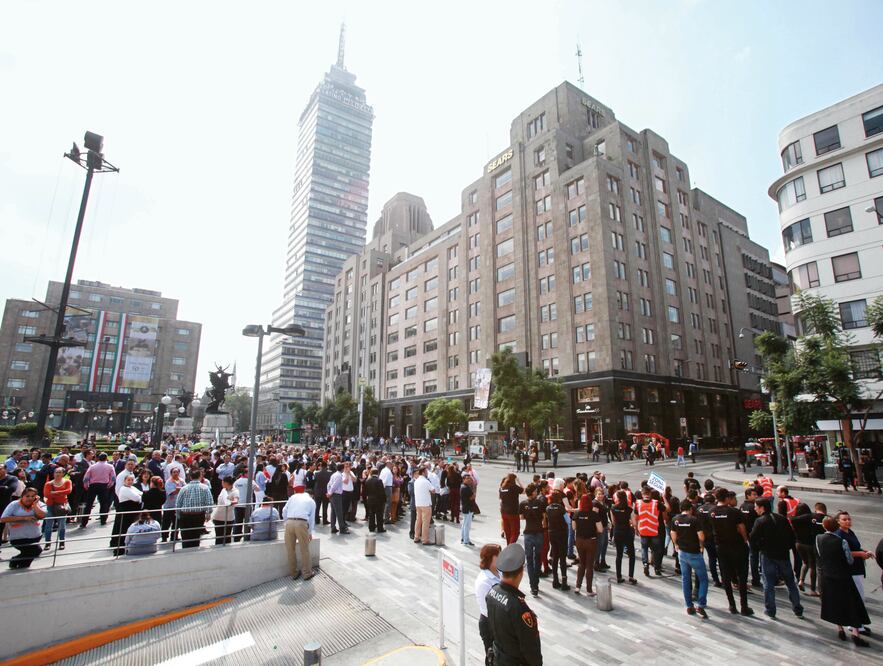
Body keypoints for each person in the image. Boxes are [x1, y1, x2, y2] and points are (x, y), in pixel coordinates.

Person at [816, 516, 871, 647]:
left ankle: (840, 629)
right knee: (853, 604)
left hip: (828, 576)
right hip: (843, 576)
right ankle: (856, 634)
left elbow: (819, 555)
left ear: (824, 527)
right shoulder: (841, 541)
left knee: (835, 603)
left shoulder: (818, 538)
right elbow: (849, 560)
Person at [485, 543, 543, 666]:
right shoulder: (519, 608)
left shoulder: (492, 592)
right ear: (521, 572)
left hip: (497, 659)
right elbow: (531, 650)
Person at [749, 497, 803, 619]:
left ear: (762, 508)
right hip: (783, 555)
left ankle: (770, 609)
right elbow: (791, 536)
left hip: (768, 555)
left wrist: (760, 546)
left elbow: (752, 538)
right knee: (790, 583)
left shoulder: (760, 521)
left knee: (768, 584)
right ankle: (797, 608)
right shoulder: (782, 518)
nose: (755, 509)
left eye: (756, 507)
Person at [710, 488, 753, 615]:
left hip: (721, 547)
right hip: (737, 546)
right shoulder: (734, 512)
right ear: (727, 498)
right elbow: (741, 528)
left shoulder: (712, 512)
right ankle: (744, 606)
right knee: (742, 575)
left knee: (726, 576)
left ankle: (732, 605)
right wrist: (745, 540)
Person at [834, 511, 873, 636]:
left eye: (849, 519)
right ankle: (855, 625)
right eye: (844, 519)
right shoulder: (839, 535)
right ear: (838, 521)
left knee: (859, 598)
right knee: (857, 598)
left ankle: (857, 624)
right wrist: (860, 554)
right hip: (851, 570)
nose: (847, 521)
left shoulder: (850, 532)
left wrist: (865, 551)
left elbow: (855, 547)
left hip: (858, 568)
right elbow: (844, 553)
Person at [670, 500, 708, 618]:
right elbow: (701, 536)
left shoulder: (675, 519)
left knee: (686, 579)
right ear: (690, 509)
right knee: (703, 579)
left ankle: (688, 605)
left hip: (682, 552)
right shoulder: (694, 520)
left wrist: (676, 544)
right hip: (694, 553)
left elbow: (672, 532)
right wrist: (702, 544)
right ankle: (701, 605)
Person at [1, 487, 46, 568]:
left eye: (33, 496)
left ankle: (19, 566)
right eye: (27, 496)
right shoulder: (14, 504)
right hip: (18, 538)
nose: (30, 498)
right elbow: (3, 519)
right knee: (36, 550)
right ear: (22, 496)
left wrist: (35, 504)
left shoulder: (39, 504)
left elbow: (42, 515)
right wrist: (24, 518)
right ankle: (14, 560)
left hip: (35, 536)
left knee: (28, 557)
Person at [474, 544, 502, 666]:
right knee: (492, 658)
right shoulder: (484, 581)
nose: (501, 558)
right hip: (490, 623)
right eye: (498, 555)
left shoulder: (499, 572)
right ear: (491, 558)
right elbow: (488, 609)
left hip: (499, 620)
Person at [281, 489, 316, 580]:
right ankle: (307, 573)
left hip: (289, 522)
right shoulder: (311, 501)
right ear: (311, 495)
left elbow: (284, 510)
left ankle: (294, 573)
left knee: (290, 549)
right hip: (301, 523)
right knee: (304, 549)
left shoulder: (293, 496)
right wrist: (310, 532)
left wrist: (286, 521)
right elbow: (311, 519)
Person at [519, 483, 546, 596]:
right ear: (533, 492)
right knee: (538, 558)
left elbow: (521, 517)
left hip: (528, 533)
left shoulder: (523, 504)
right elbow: (544, 516)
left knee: (529, 560)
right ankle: (536, 583)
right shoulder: (540, 502)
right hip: (539, 532)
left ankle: (533, 586)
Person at [176, 467, 212, 549]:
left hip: (185, 516)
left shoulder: (183, 488)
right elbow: (209, 502)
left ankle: (185, 551)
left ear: (190, 477)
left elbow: (178, 503)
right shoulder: (205, 488)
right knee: (196, 536)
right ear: (200, 476)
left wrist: (178, 515)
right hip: (198, 516)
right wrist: (208, 513)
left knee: (185, 537)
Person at [573, 494, 602, 596]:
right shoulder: (594, 514)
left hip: (579, 540)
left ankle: (577, 587)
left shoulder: (577, 513)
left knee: (581, 563)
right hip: (591, 541)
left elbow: (573, 527)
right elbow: (600, 529)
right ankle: (589, 590)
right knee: (589, 566)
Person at [80, 452, 116, 527]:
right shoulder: (110, 466)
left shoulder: (92, 466)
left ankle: (84, 522)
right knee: (104, 504)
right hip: (104, 486)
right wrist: (110, 484)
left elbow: (86, 478)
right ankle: (103, 520)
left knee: (89, 504)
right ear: (106, 458)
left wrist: (86, 486)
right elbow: (113, 478)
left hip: (93, 485)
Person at [111, 475, 143, 556]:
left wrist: (140, 496)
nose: (130, 481)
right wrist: (140, 496)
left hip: (133, 513)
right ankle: (120, 550)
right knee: (124, 531)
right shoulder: (124, 489)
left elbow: (141, 493)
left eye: (132, 480)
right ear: (124, 481)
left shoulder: (132, 488)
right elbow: (137, 498)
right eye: (128, 480)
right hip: (127, 514)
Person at [635, 487, 664, 577]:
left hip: (643, 529)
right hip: (654, 530)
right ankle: (657, 567)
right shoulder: (656, 503)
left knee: (644, 548)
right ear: (650, 494)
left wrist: (636, 527)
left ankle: (645, 564)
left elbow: (636, 517)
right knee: (656, 549)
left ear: (642, 494)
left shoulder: (638, 503)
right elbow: (667, 509)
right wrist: (664, 497)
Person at [42, 467, 71, 551]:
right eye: (56, 472)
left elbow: (69, 491)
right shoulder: (48, 484)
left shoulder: (67, 481)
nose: (57, 474)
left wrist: (55, 493)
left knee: (62, 525)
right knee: (48, 525)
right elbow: (46, 494)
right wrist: (61, 493)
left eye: (59, 472)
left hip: (62, 506)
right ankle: (48, 543)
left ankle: (62, 542)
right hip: (50, 505)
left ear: (63, 474)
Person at [546, 490, 569, 591]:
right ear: (559, 498)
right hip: (562, 533)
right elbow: (568, 521)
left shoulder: (548, 508)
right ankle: (564, 581)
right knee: (562, 557)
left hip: (552, 533)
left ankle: (555, 580)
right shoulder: (561, 508)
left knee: (555, 556)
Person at [212, 476, 237, 545]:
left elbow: (236, 500)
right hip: (219, 517)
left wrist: (229, 503)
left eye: (222, 482)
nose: (221, 483)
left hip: (228, 518)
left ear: (226, 483)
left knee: (227, 537)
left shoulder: (235, 491)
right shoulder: (223, 490)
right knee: (219, 538)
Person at [499, 473, 523, 545]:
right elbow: (524, 491)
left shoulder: (502, 487)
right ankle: (510, 546)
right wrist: (519, 481)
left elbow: (500, 498)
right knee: (515, 531)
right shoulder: (513, 487)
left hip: (503, 511)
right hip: (513, 512)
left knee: (508, 532)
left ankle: (508, 546)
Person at [162, 467, 184, 542]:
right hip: (169, 506)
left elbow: (185, 489)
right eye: (174, 472)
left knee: (176, 523)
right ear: (171, 473)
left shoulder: (181, 480)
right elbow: (171, 492)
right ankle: (164, 537)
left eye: (177, 472)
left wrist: (178, 489)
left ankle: (174, 537)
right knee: (166, 523)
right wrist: (180, 489)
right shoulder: (168, 482)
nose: (176, 473)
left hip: (178, 506)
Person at [413, 466, 433, 545]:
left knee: (418, 521)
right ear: (423, 472)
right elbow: (433, 490)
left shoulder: (416, 481)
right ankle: (425, 539)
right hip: (426, 504)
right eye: (426, 471)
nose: (427, 473)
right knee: (425, 522)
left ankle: (416, 537)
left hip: (418, 503)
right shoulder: (426, 481)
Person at [364, 468, 387, 533]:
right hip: (378, 500)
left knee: (371, 514)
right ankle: (380, 528)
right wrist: (384, 500)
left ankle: (371, 527)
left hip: (370, 499)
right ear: (378, 473)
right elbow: (382, 492)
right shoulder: (379, 481)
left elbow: (366, 491)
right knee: (379, 515)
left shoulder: (368, 480)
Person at [460, 474, 476, 545]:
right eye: (467, 478)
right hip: (468, 508)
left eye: (470, 478)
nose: (469, 480)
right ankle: (466, 540)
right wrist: (473, 495)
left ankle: (463, 538)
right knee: (467, 525)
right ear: (464, 479)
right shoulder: (465, 488)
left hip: (465, 507)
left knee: (464, 524)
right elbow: (472, 497)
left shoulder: (464, 486)